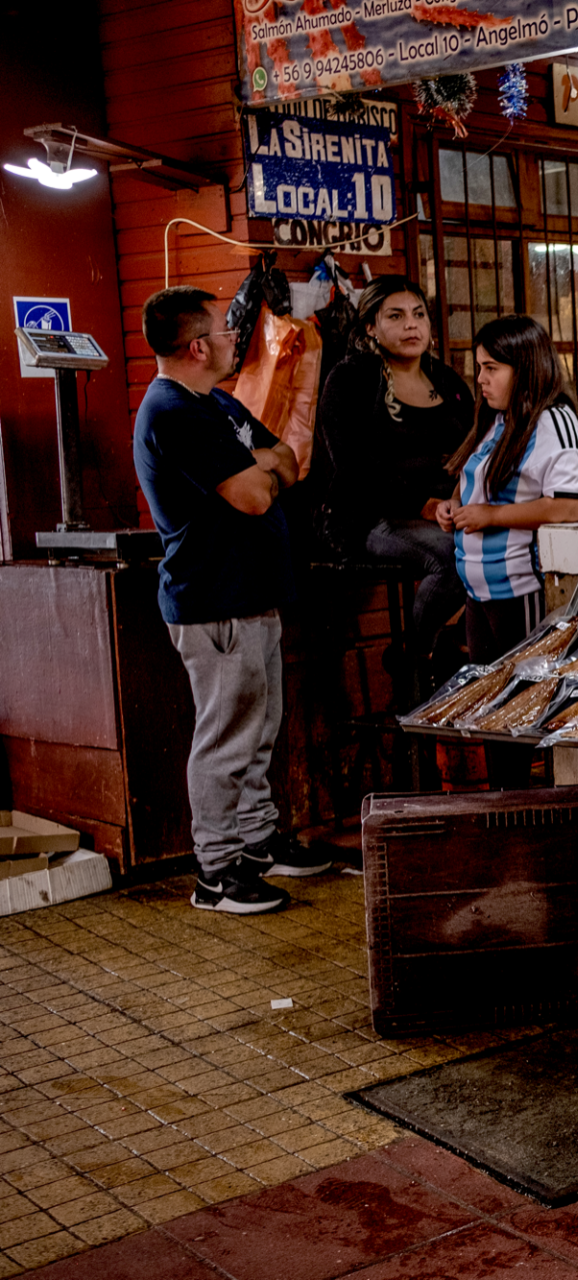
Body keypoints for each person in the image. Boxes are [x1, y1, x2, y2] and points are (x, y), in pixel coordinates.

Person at [132, 286, 338, 914]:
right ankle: (216, 871)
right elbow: (252, 493)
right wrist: (261, 469)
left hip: (252, 595)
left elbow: (286, 461)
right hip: (213, 602)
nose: (232, 337)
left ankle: (256, 842)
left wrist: (261, 466)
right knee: (225, 738)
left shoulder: (214, 403)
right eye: (224, 330)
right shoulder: (174, 412)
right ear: (197, 346)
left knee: (258, 729)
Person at [313, 276, 475, 686]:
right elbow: (352, 465)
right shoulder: (350, 380)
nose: (411, 326)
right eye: (396, 317)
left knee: (505, 546)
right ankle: (416, 656)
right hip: (370, 515)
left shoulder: (446, 381)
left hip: (445, 510)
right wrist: (421, 503)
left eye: (419, 315)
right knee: (454, 558)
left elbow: (478, 445)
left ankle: (458, 644)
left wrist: (458, 498)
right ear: (370, 327)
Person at [437, 313, 578, 682]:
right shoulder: (499, 418)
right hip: (479, 593)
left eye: (491, 367)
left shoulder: (554, 421)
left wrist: (490, 516)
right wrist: (454, 504)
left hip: (523, 592)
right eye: (479, 367)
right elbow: (476, 475)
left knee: (523, 700)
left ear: (523, 367)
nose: (481, 379)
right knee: (489, 703)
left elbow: (571, 505)